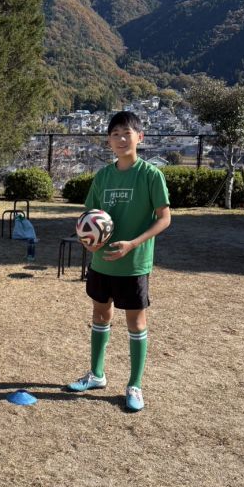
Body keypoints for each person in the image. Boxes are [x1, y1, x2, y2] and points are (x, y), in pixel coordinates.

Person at [67, 111, 171, 411]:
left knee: (136, 322)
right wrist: (87, 241)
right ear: (109, 141)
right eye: (115, 134)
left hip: (134, 263)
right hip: (102, 263)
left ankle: (135, 385)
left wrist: (134, 243)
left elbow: (165, 218)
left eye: (127, 133)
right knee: (100, 315)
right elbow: (88, 217)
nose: (121, 139)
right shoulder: (103, 176)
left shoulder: (151, 175)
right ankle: (96, 375)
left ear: (140, 137)